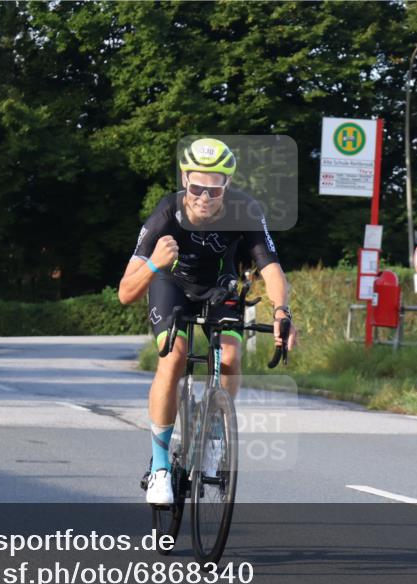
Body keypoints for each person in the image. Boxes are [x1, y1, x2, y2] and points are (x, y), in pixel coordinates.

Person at [118, 138, 298, 506]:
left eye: (213, 190)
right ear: (185, 179)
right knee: (174, 358)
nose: (203, 197)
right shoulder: (167, 213)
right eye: (196, 187)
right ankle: (161, 466)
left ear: (227, 185)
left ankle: (213, 433)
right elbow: (125, 292)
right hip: (171, 285)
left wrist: (282, 312)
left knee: (230, 358)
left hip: (219, 287)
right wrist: (153, 264)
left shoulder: (245, 210)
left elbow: (271, 268)